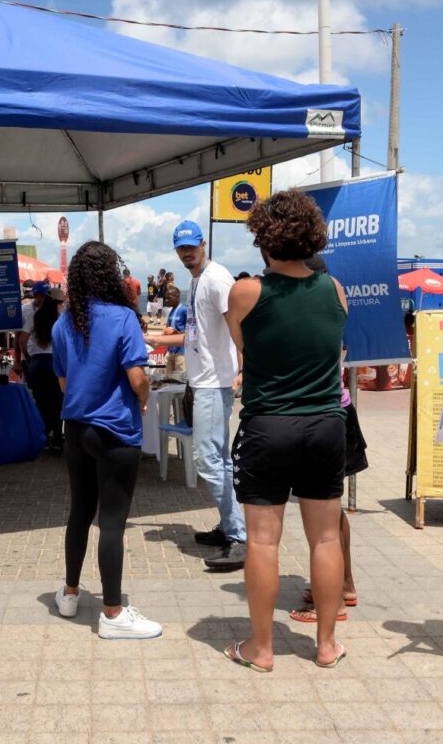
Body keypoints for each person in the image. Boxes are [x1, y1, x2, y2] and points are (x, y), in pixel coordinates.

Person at [222, 190, 349, 673]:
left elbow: (245, 350)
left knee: (262, 540)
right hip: (324, 425)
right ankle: (326, 645)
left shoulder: (247, 292)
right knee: (325, 540)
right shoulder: (334, 290)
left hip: (268, 425)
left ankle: (262, 648)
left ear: (264, 239)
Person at [51, 240, 160, 639]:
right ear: (111, 274)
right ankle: (113, 613)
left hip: (76, 430)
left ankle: (69, 592)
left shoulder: (63, 323)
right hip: (114, 429)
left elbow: (64, 383)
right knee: (112, 522)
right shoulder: (123, 318)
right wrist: (143, 399)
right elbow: (137, 379)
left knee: (79, 512)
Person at [146, 220, 246, 571]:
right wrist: (160, 340)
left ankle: (239, 536)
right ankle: (230, 526)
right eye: (181, 248)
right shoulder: (196, 280)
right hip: (203, 380)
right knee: (219, 460)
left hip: (214, 383)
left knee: (207, 460)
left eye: (191, 246)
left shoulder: (217, 279)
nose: (187, 252)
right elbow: (197, 337)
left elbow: (237, 324)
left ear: (203, 243)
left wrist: (242, 369)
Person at [290, 254, 365, 623]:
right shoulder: (333, 303)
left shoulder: (317, 306)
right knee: (331, 514)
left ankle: (331, 600)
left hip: (325, 416)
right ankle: (343, 584)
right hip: (339, 413)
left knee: (323, 517)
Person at [26, 284, 65, 451]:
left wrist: (29, 358)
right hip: (54, 363)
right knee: (57, 401)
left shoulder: (35, 316)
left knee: (41, 402)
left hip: (36, 363)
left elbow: (21, 340)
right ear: (57, 302)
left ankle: (42, 437)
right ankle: (57, 438)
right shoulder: (61, 318)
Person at [161, 286, 186, 378]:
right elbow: (169, 328)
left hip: (181, 352)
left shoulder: (184, 310)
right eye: (165, 298)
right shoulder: (171, 311)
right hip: (170, 351)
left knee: (181, 379)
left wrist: (176, 333)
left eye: (169, 298)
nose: (166, 300)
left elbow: (190, 331)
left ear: (177, 297)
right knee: (168, 378)